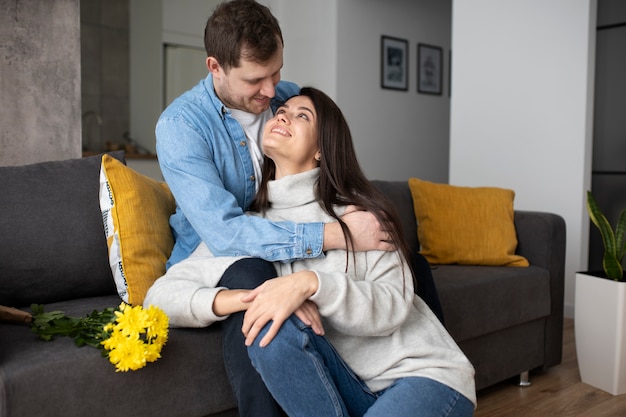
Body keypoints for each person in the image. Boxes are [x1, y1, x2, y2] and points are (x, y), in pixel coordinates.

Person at [147, 87, 476, 416]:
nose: (282, 116)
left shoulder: (358, 218)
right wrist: (254, 297)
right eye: (281, 112)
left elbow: (391, 308)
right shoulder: (247, 229)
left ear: (321, 148)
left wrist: (310, 283)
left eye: (301, 115)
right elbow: (159, 297)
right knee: (267, 325)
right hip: (346, 388)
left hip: (419, 377)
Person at [153, 2, 392, 416]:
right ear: (215, 66)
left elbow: (329, 165)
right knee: (253, 272)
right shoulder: (181, 127)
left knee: (407, 259)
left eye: (276, 71)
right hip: (221, 256)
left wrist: (364, 220)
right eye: (255, 79)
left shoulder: (285, 99)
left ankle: (415, 389)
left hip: (289, 235)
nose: (271, 90)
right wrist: (337, 235)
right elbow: (226, 234)